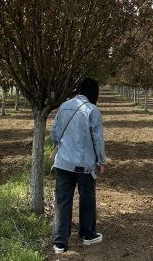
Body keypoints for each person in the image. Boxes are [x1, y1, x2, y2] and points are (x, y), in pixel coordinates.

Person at [51, 77, 106, 254]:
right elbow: (97, 140)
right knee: (87, 198)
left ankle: (60, 242)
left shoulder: (64, 106)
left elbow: (55, 133)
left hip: (63, 163)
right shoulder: (92, 110)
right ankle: (87, 234)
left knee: (62, 201)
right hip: (84, 164)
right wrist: (101, 161)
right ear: (93, 93)